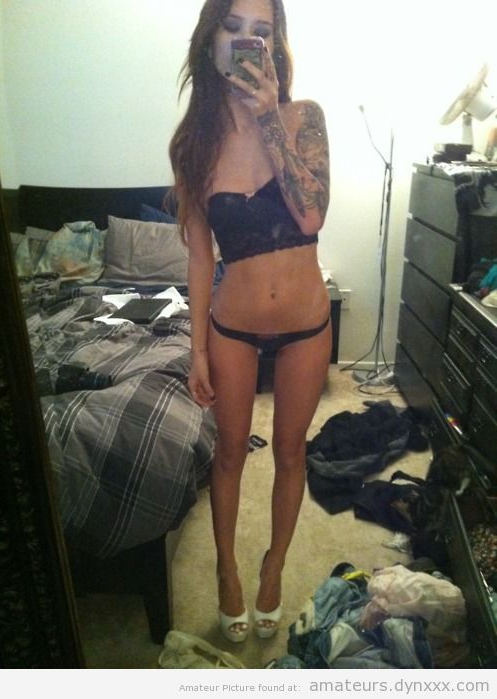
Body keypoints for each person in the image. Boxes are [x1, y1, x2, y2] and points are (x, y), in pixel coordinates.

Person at [169, 0, 330, 642]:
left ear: (275, 44)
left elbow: (312, 215)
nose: (245, 41)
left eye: (260, 32)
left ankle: (274, 564)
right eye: (232, 28)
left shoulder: (304, 118)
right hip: (230, 326)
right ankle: (227, 569)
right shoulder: (194, 145)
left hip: (307, 324)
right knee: (230, 452)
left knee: (291, 450)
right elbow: (199, 256)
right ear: (210, 41)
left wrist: (269, 119)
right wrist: (197, 351)